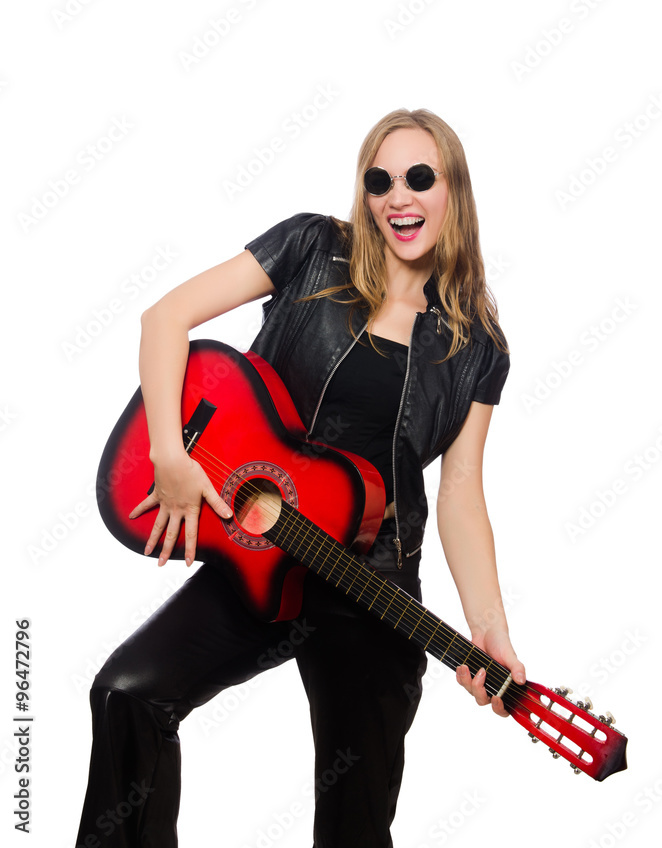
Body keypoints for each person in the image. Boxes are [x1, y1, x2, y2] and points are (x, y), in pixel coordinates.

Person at [75, 107, 526, 848]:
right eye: (379, 180)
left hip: (372, 584)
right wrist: (171, 455)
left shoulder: (479, 347)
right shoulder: (313, 248)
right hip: (257, 559)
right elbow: (166, 319)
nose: (397, 197)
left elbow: (460, 491)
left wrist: (490, 631)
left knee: (353, 820)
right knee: (126, 694)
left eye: (419, 177)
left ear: (454, 191)